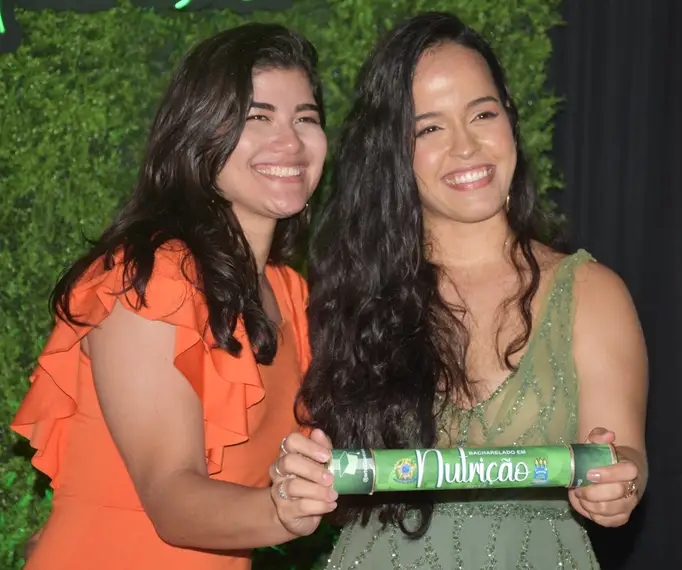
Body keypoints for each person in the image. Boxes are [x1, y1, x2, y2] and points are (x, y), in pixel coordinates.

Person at [298, 11, 649, 570]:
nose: (466, 146)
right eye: (429, 128)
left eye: (482, 113)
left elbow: (624, 454)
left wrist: (617, 483)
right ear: (394, 151)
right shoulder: (350, 296)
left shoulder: (591, 292)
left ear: (510, 118)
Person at [10, 23, 337, 570]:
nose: (291, 141)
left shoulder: (289, 291)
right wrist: (280, 511)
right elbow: (171, 499)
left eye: (306, 118)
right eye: (257, 117)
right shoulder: (148, 277)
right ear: (200, 134)